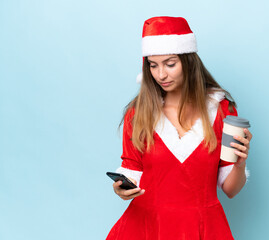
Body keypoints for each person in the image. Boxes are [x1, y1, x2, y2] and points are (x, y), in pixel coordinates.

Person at [106, 16, 253, 240]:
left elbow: (230, 190)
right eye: (153, 66)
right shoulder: (138, 114)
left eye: (170, 64)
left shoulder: (221, 111)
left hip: (203, 227)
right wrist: (122, 189)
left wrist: (240, 164)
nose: (161, 74)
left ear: (188, 61)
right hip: (146, 228)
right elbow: (131, 172)